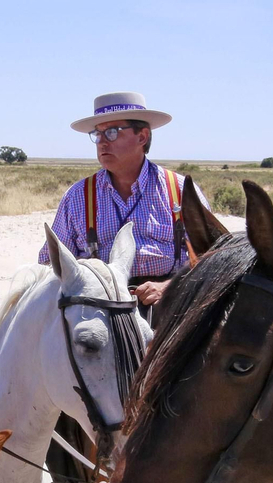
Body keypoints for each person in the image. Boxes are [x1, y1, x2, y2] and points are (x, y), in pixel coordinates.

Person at [40, 91, 208, 316]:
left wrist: (169, 286)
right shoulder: (78, 197)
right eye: (97, 134)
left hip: (171, 311)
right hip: (100, 313)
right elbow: (48, 265)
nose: (102, 143)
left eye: (112, 132)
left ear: (142, 137)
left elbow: (212, 258)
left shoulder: (179, 191)